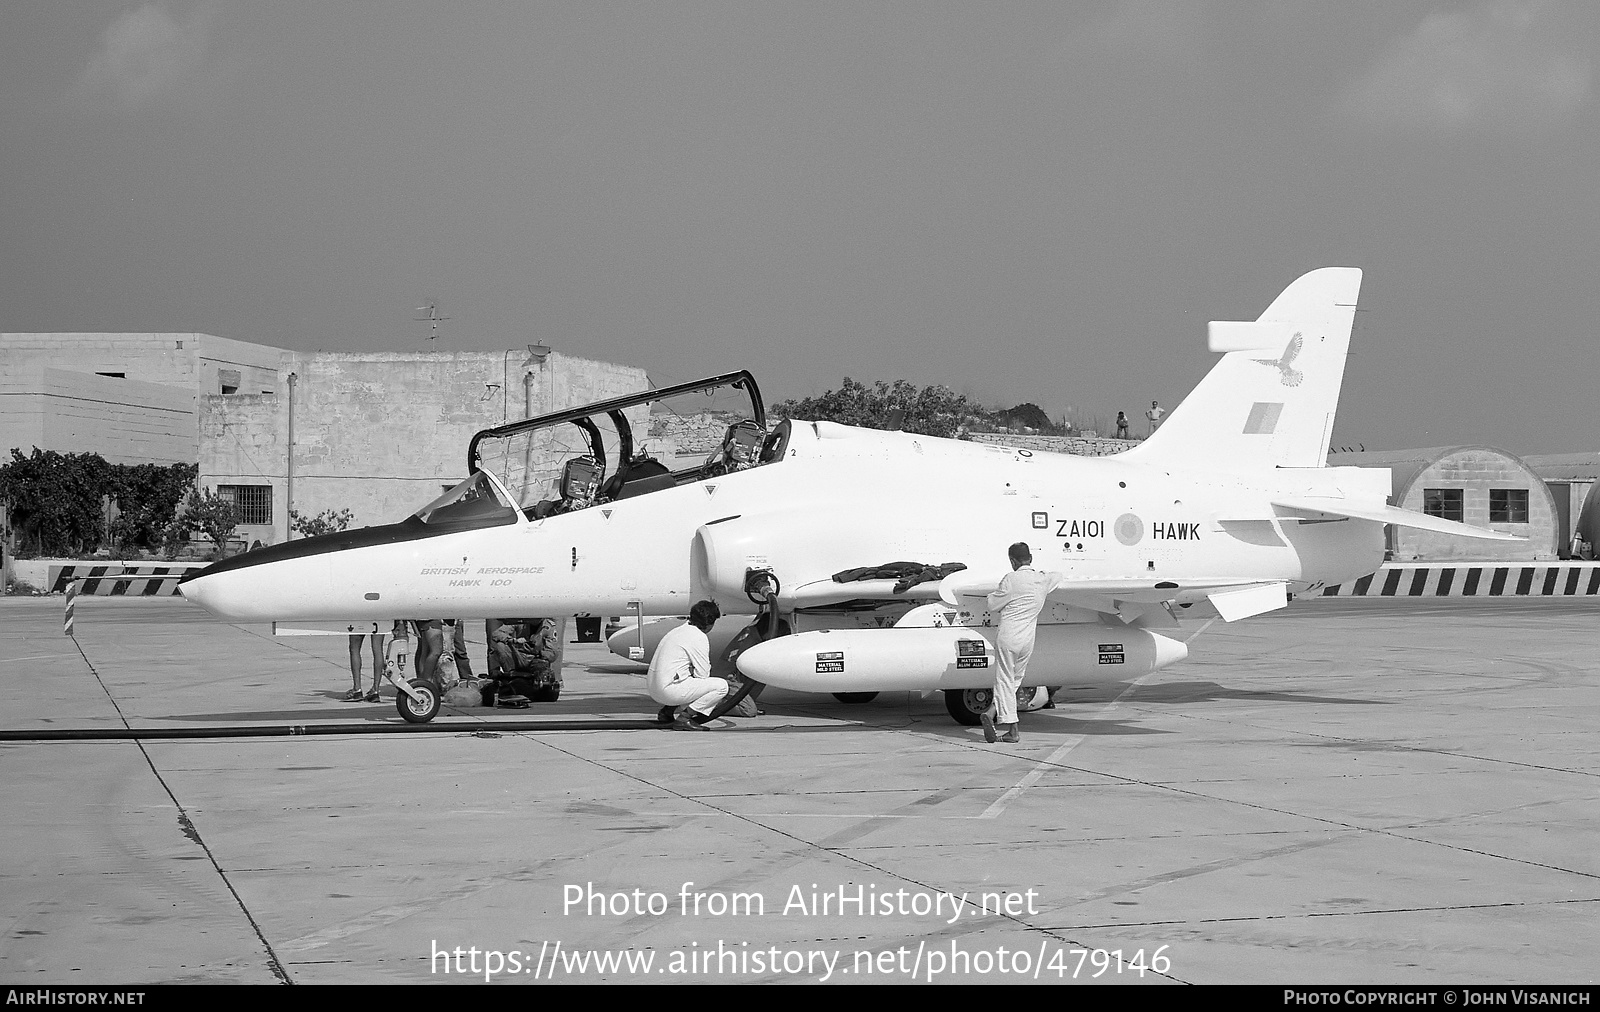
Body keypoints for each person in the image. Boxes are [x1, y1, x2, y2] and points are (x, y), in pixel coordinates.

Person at [982, 543, 1060, 744]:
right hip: (1028, 639)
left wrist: (991, 595)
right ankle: (992, 711)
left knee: (1004, 680)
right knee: (1015, 680)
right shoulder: (1043, 580)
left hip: (1009, 636)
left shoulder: (1010, 579)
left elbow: (992, 604)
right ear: (1031, 558)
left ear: (1012, 561)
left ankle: (1011, 729)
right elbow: (1058, 576)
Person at [647, 600, 727, 730]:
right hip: (667, 691)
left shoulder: (676, 631)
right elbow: (703, 675)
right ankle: (684, 718)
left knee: (685, 677)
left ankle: (667, 712)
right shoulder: (698, 637)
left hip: (653, 688)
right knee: (721, 686)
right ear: (709, 623)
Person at [343, 627, 386, 702]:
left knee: (354, 648)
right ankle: (375, 690)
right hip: (378, 617)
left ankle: (357, 689)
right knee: (378, 649)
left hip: (360, 618)